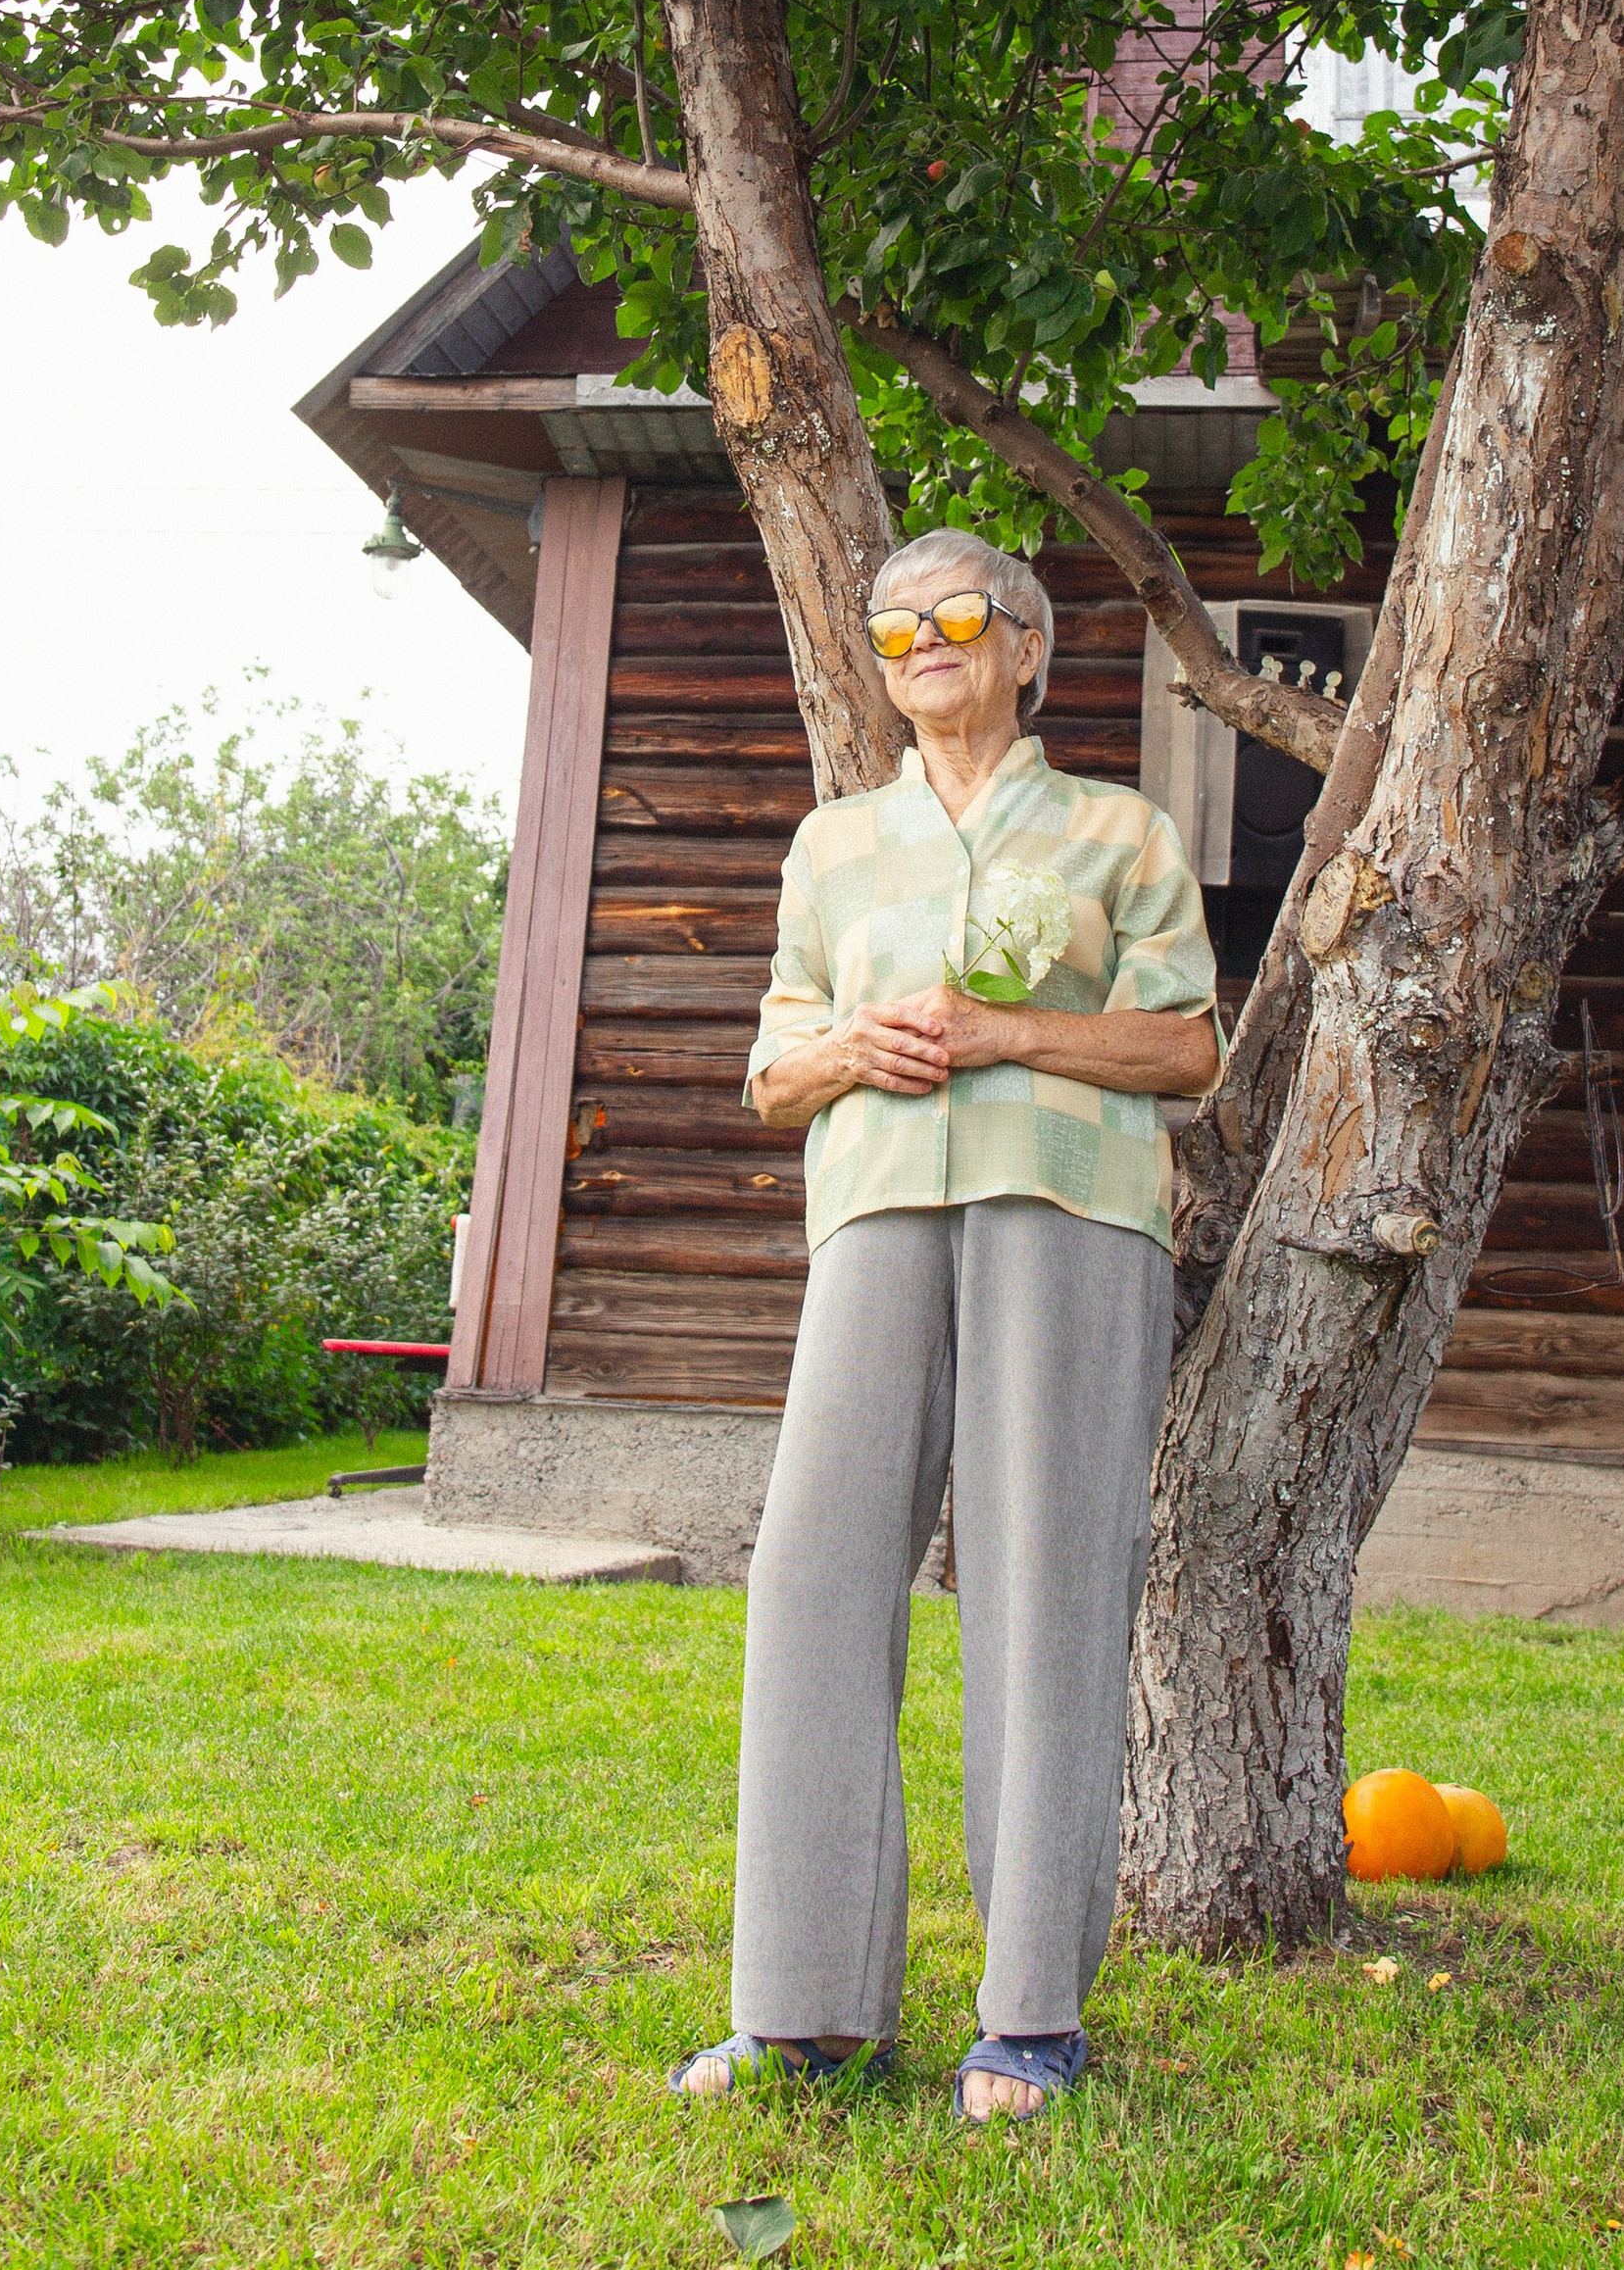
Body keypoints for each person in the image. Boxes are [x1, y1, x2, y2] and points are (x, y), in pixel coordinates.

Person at [668, 529, 1221, 2124]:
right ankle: (805, 2012)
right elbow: (773, 1071)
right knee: (813, 1573)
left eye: (961, 616)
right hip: (877, 1206)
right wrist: (858, 1049)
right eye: (895, 627)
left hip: (1071, 1208)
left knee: (1044, 1581)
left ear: (1029, 648)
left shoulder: (1121, 831)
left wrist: (1004, 1032)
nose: (926, 645)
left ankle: (1030, 2019)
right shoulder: (833, 848)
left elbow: (1188, 1053)